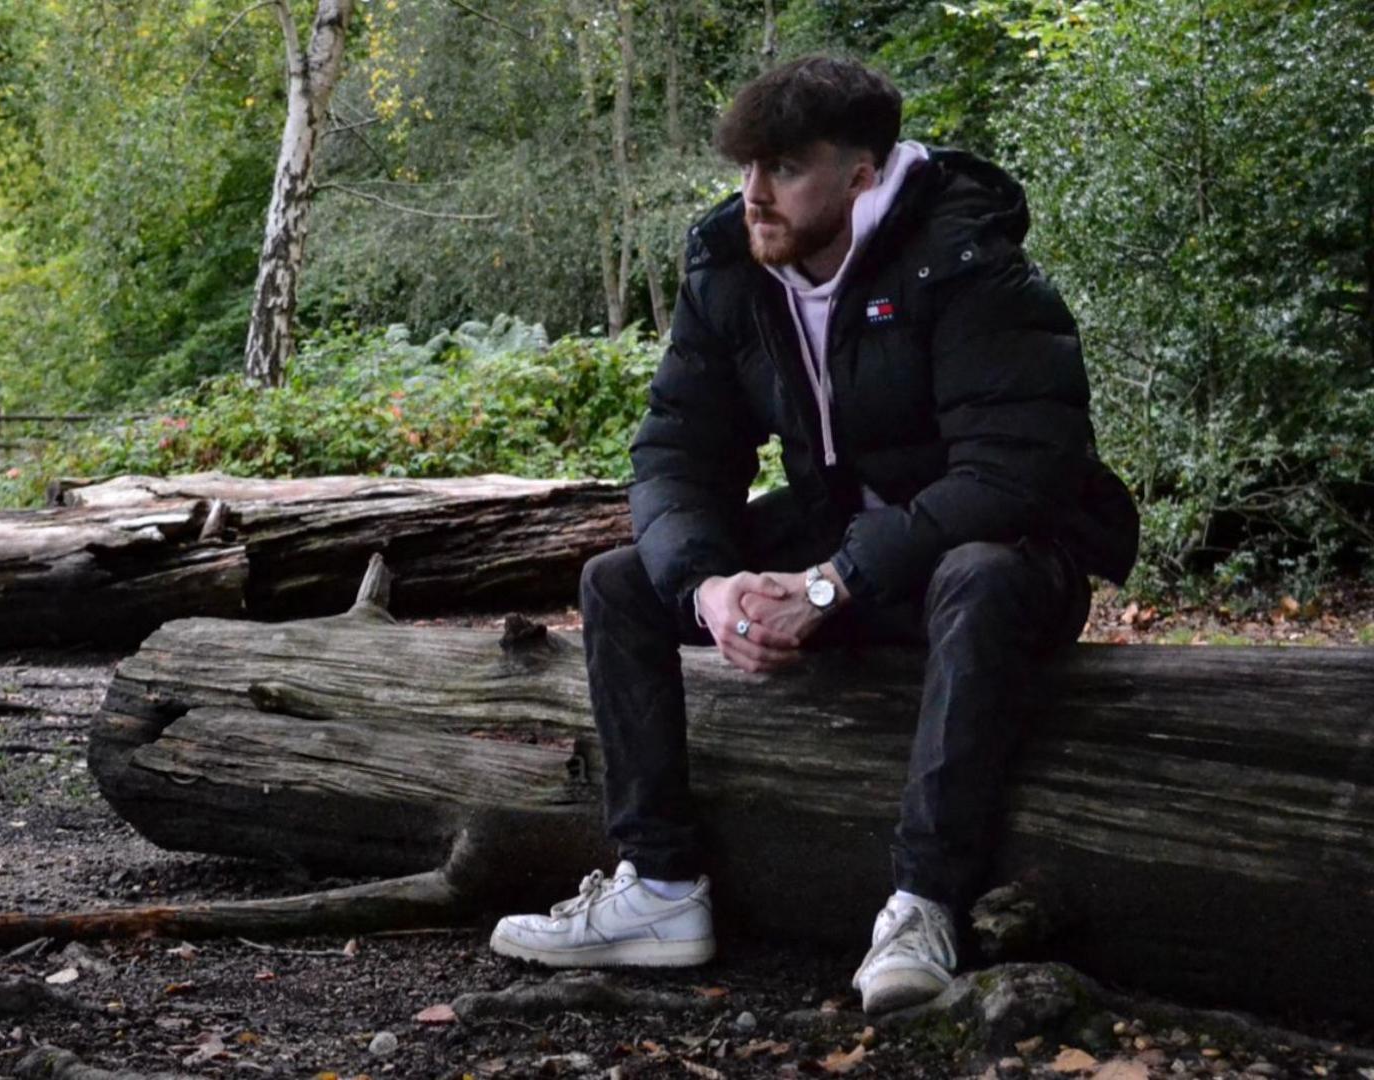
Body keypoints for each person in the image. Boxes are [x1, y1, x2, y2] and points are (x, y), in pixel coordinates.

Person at [487, 55, 1139, 1013]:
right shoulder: (730, 265)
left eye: (785, 168)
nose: (755, 193)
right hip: (849, 543)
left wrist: (831, 584)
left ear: (862, 174)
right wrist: (708, 587)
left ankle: (925, 906)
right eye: (748, 166)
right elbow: (675, 454)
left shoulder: (963, 257)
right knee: (623, 582)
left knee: (981, 574)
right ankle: (660, 888)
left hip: (1005, 555)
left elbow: (1012, 473)